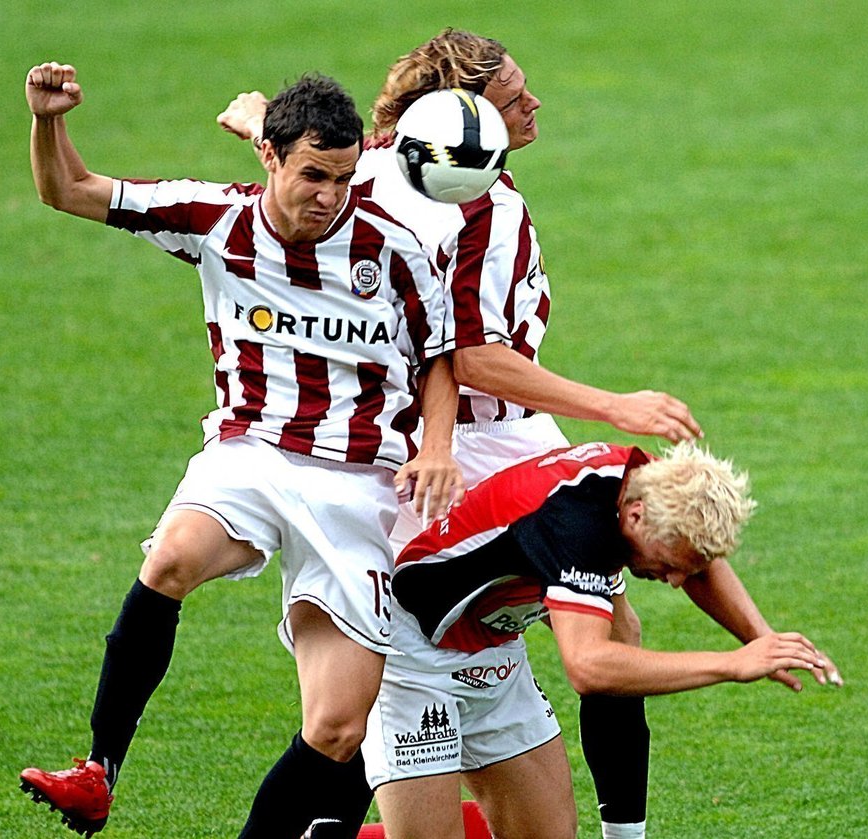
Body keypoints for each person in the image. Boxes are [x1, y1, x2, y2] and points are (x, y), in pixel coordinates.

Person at [216, 29, 704, 839]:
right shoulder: (485, 201)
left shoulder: (381, 165)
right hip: (478, 447)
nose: (533, 103)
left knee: (424, 669)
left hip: (439, 443)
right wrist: (616, 405)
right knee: (584, 639)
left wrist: (261, 120)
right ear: (463, 118)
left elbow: (328, 173)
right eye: (515, 98)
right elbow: (477, 357)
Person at [18, 61, 464, 839]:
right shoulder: (212, 219)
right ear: (270, 157)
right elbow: (70, 190)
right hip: (250, 453)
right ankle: (98, 772)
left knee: (335, 728)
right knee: (170, 561)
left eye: (344, 178)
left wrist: (439, 445)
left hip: (360, 488)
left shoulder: (392, 249)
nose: (329, 196)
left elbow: (442, 360)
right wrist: (48, 121)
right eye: (314, 175)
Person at [360, 440, 839, 839]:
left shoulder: (654, 488)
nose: (674, 581)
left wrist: (764, 641)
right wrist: (733, 664)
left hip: (494, 648)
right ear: (634, 518)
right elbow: (589, 668)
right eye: (670, 564)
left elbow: (696, 561)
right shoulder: (578, 526)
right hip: (410, 654)